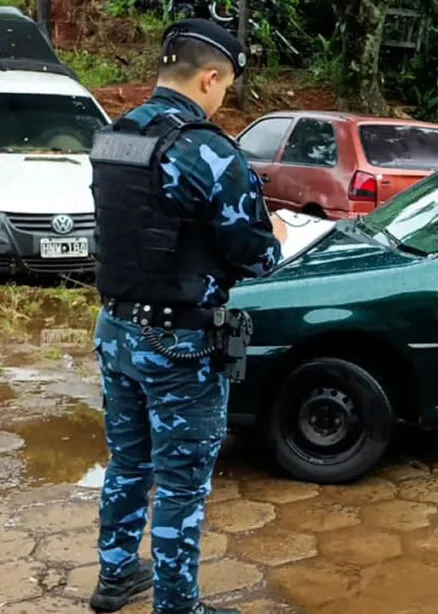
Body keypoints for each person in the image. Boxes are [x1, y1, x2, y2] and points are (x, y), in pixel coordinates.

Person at [87, 18, 283, 614]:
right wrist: (275, 237)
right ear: (210, 76)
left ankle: (116, 574)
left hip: (117, 329)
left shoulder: (116, 135)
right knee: (181, 482)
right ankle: (177, 605)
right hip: (178, 345)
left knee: (128, 462)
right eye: (224, 86)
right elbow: (259, 255)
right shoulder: (206, 150)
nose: (223, 97)